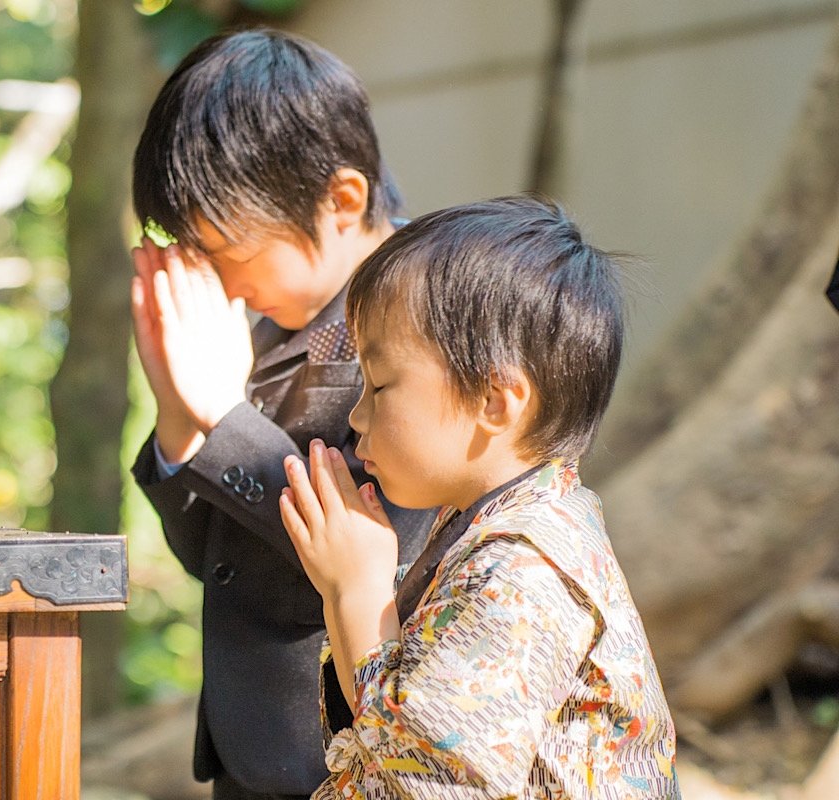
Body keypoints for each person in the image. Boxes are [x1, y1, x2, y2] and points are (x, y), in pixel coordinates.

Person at [280, 196, 682, 799]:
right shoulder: (488, 530)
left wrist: (359, 591)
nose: (357, 416)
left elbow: (429, 784)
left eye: (381, 384)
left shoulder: (523, 568)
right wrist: (346, 594)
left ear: (495, 402)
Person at [128, 29, 437, 800]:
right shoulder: (264, 329)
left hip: (350, 756)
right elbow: (217, 559)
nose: (222, 284)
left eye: (229, 248)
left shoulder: (429, 322)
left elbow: (388, 541)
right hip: (245, 752)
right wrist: (179, 421)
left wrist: (223, 415)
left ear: (342, 201)